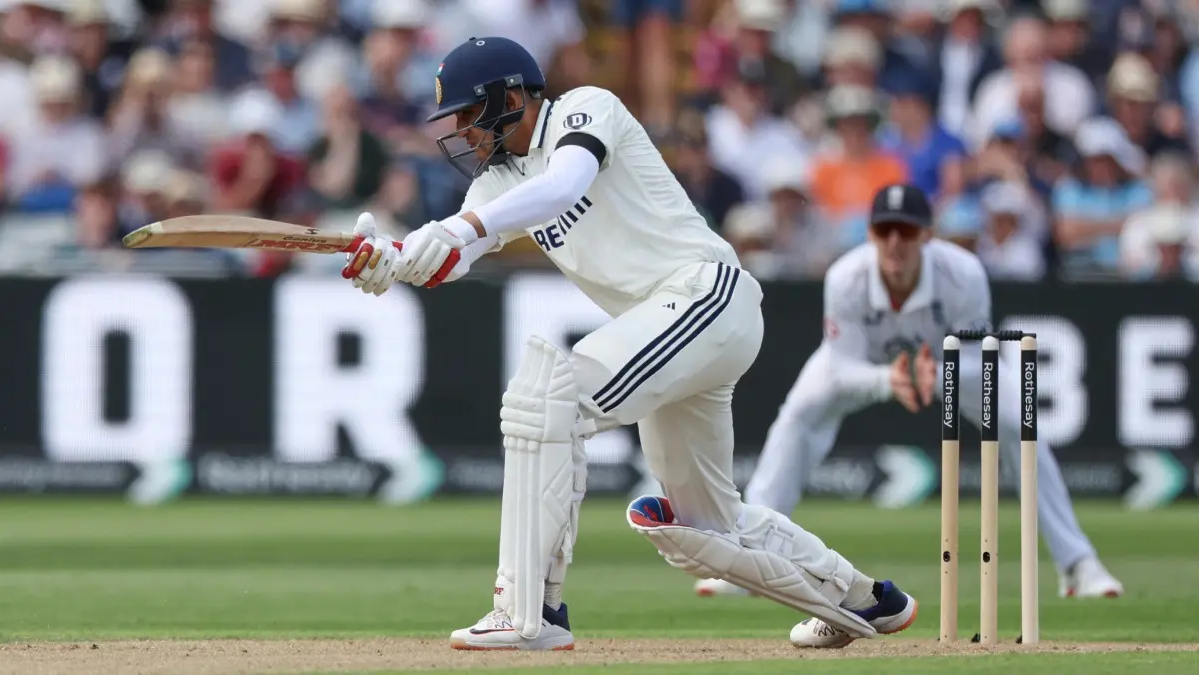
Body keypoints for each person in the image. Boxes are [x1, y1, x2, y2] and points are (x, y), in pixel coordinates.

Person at [340, 36, 917, 651]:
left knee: (550, 397)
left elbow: (562, 186)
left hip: (705, 295)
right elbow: (453, 256)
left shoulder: (584, 109)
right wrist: (393, 260)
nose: (461, 131)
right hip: (673, 331)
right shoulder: (497, 183)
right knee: (704, 534)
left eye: (467, 114)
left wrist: (455, 229)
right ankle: (865, 598)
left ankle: (532, 613)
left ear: (510, 98)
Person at [694, 184, 1125, 604]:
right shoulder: (847, 277)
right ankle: (749, 562)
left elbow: (977, 361)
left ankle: (1078, 564)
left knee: (1018, 421)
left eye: (907, 231)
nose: (895, 242)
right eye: (885, 231)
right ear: (870, 234)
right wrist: (889, 381)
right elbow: (842, 367)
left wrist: (934, 376)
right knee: (797, 416)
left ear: (927, 234)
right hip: (865, 368)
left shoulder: (963, 274)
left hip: (950, 367)